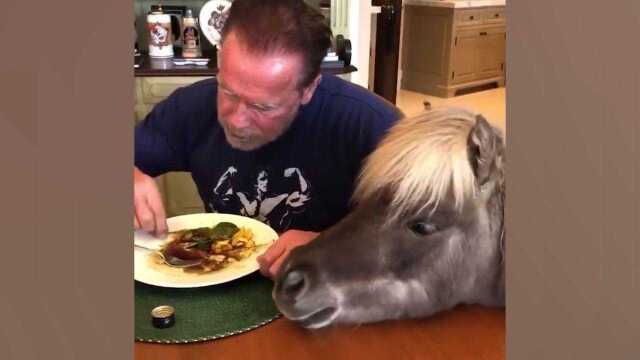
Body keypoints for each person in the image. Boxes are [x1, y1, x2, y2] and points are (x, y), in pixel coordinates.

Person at [134, 0, 402, 278]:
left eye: (263, 107)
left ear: (308, 88)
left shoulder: (371, 125)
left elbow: (433, 234)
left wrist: (334, 246)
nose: (236, 120)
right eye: (227, 91)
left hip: (329, 288)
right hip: (216, 280)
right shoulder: (190, 107)